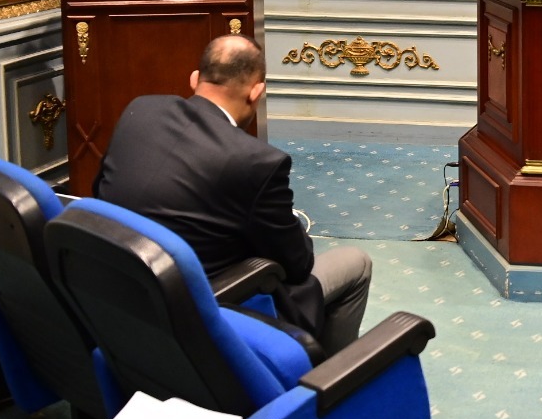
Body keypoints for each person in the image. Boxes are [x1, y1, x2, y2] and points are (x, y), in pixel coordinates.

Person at [93, 35, 372, 351]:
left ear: (195, 79)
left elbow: (99, 191)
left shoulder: (140, 110)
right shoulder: (257, 162)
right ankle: (332, 376)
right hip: (204, 313)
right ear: (256, 92)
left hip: (115, 295)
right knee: (356, 263)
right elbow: (298, 264)